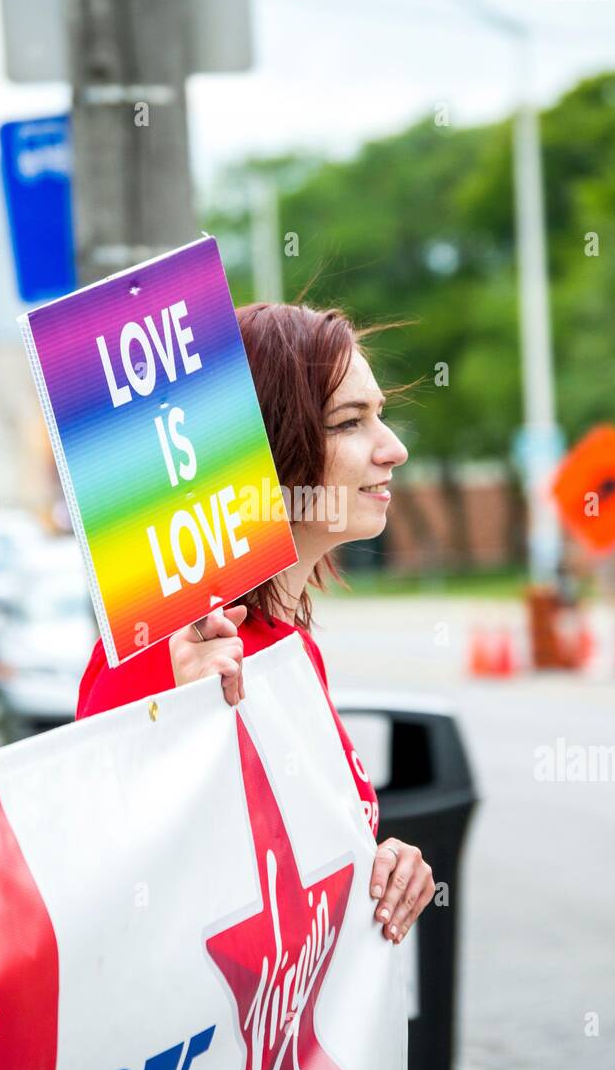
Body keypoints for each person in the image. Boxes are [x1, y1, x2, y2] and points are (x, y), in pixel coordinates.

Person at [77, 301, 437, 947]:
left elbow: (289, 862)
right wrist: (176, 713)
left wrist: (378, 864)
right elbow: (100, 885)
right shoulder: (159, 650)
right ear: (268, 452)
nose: (394, 448)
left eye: (379, 416)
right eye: (351, 423)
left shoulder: (292, 649)